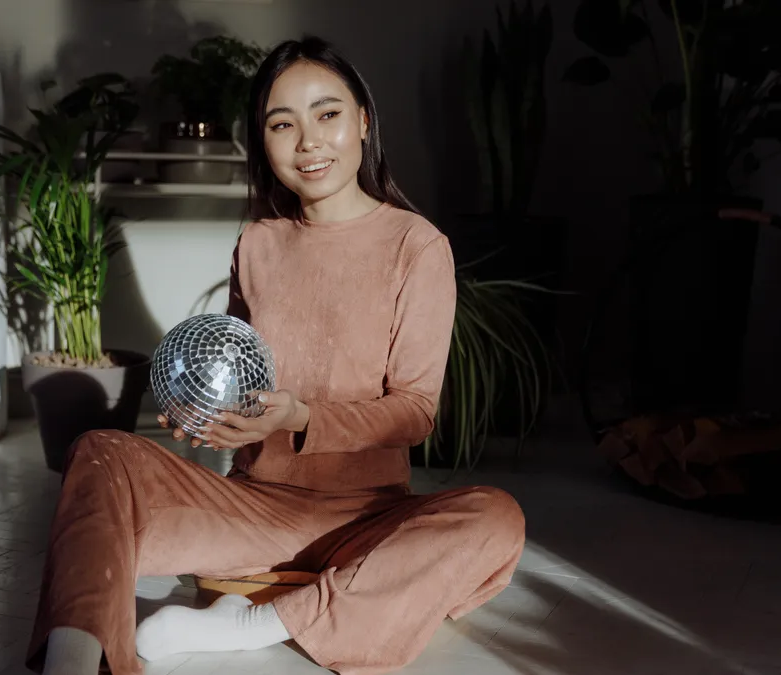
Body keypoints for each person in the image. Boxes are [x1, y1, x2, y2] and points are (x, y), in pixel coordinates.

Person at [28, 36, 526, 675]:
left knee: (495, 520)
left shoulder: (417, 245)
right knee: (99, 450)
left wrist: (299, 417)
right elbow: (239, 369)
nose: (308, 141)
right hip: (253, 512)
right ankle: (75, 659)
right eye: (281, 124)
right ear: (262, 141)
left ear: (364, 121)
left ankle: (250, 625)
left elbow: (416, 412)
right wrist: (204, 413)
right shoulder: (259, 242)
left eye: (327, 114)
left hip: (367, 521)